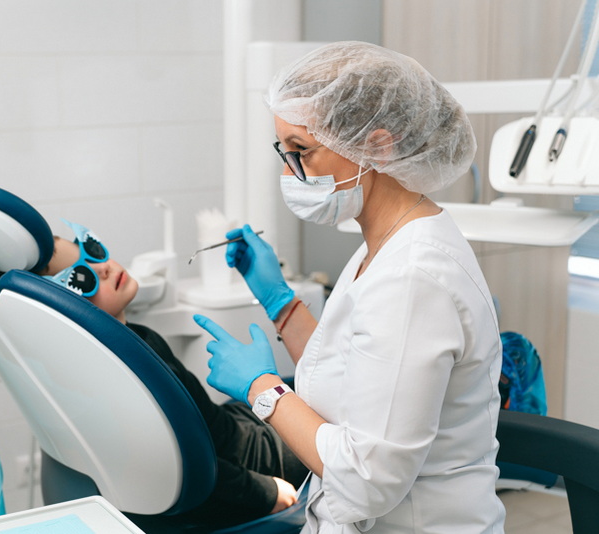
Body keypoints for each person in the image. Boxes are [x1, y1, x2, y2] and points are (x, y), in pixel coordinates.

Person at [192, 41, 506, 533]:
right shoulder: (385, 243)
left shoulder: (412, 277)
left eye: (301, 151)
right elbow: (350, 373)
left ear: (377, 147)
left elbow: (367, 480)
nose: (289, 172)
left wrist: (263, 390)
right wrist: (279, 301)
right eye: (284, 152)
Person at [38, 220, 309, 532]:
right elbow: (185, 463)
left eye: (92, 250)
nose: (104, 268)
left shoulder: (137, 338)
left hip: (236, 431)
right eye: (81, 278)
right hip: (253, 461)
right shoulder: (126, 379)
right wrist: (264, 491)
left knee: (305, 383)